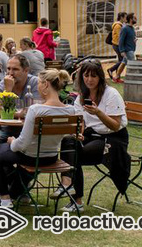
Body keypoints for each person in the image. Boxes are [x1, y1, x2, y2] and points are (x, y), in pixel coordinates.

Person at [0, 69, 75, 209]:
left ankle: (5, 199)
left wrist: (12, 142)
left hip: (30, 157)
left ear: (45, 85)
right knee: (14, 161)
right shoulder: (70, 110)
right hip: (51, 157)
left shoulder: (35, 109)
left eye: (39, 83)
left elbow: (22, 144)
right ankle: (16, 194)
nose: (38, 86)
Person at [56, 60, 129, 212]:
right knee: (69, 141)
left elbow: (115, 125)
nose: (89, 79)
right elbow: (80, 122)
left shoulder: (111, 94)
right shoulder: (82, 96)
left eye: (93, 76)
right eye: (86, 75)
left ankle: (75, 197)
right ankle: (69, 186)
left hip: (113, 139)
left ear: (100, 78)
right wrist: (79, 134)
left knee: (74, 155)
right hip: (92, 136)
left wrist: (98, 113)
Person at [0, 55, 40, 146]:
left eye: (15, 69)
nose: (10, 73)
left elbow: (37, 110)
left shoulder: (35, 83)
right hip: (7, 130)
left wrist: (9, 113)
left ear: (26, 70)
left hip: (30, 130)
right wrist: (7, 91)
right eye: (8, 69)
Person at [111, 14, 136, 83]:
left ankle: (116, 77)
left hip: (131, 49)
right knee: (132, 64)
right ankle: (131, 79)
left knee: (123, 63)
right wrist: (122, 51)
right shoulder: (125, 28)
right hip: (128, 50)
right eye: (135, 18)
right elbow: (121, 40)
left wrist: (134, 40)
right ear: (131, 19)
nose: (136, 19)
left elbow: (130, 38)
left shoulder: (132, 28)